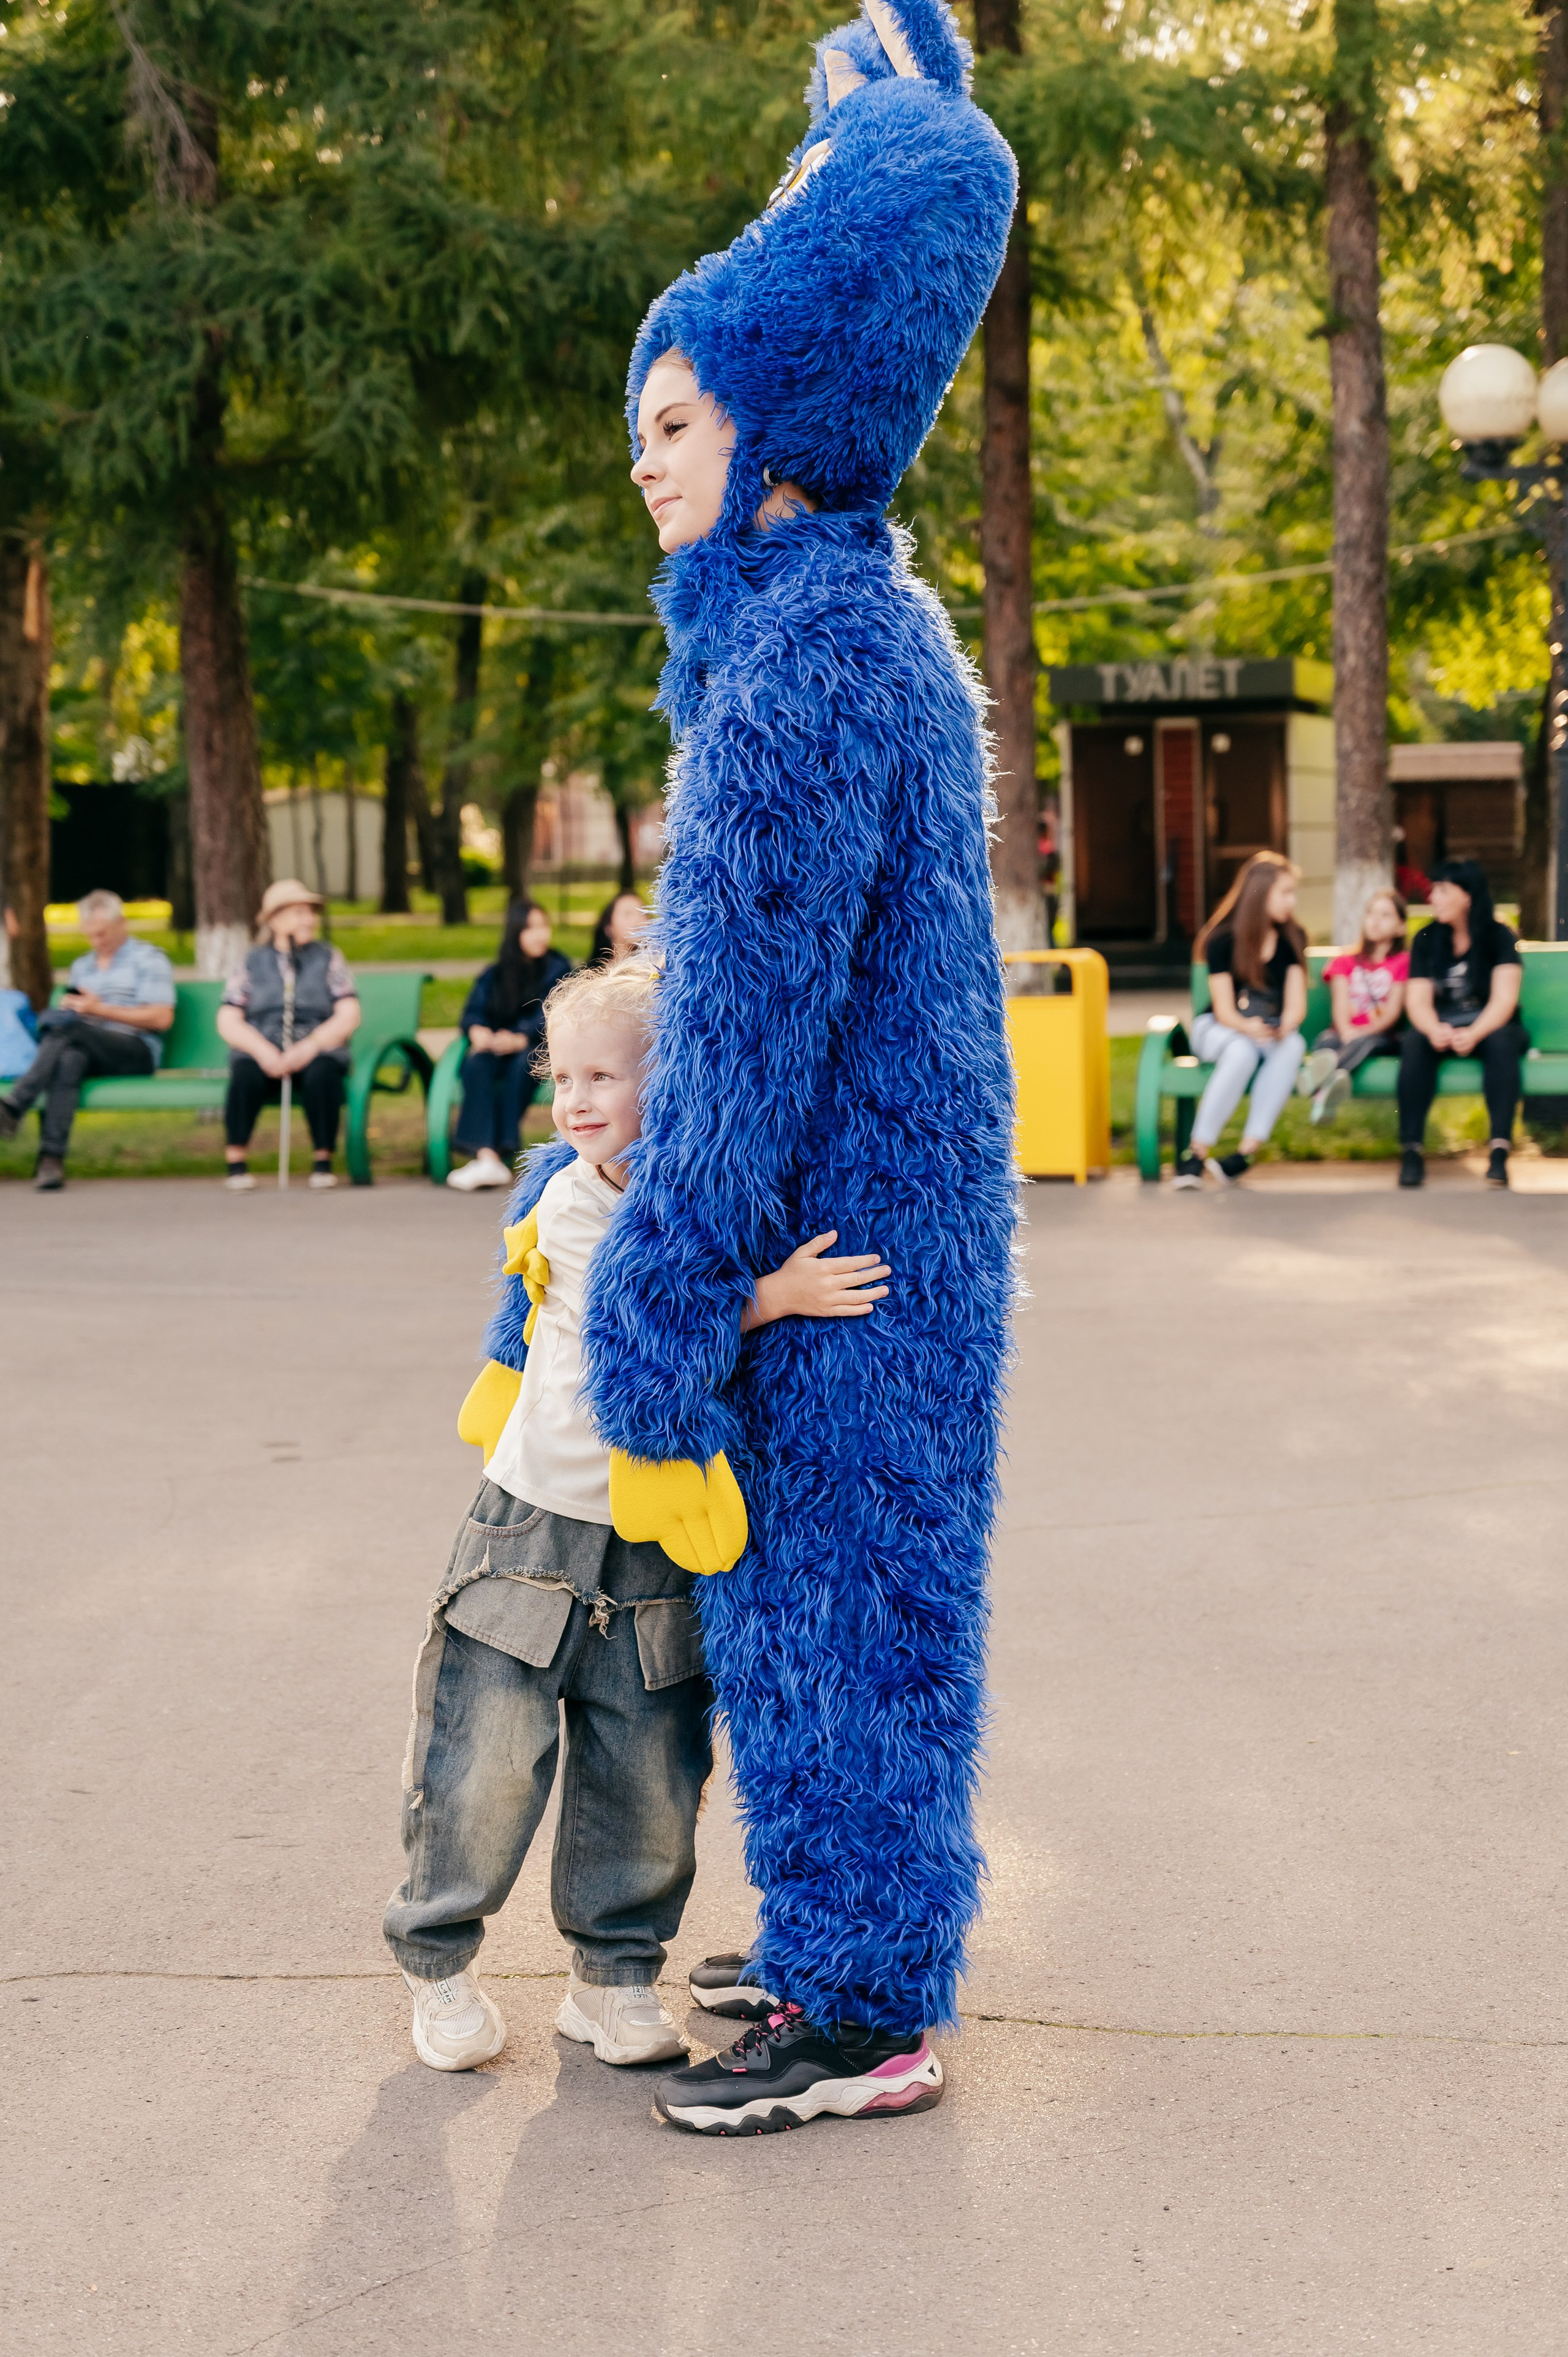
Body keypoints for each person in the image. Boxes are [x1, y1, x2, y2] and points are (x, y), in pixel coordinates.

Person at [467, 2, 1017, 2137]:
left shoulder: (796, 667)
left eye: (677, 417)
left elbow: (748, 1026)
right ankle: (848, 1935)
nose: (649, 456)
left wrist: (672, 1287)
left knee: (834, 1607)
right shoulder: (860, 613)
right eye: (640, 427)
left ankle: (868, 2006)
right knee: (858, 1587)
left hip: (827, 1237)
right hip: (891, 1216)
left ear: (780, 413)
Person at [385, 959, 892, 2072]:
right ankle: (440, 1962)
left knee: (647, 1764)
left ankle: (612, 1977)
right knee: (483, 1755)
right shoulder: (575, 1199)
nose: (572, 1099)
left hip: (651, 1533)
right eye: (560, 1075)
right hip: (535, 1526)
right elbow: (649, 1337)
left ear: (679, 1079)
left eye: (602, 1073)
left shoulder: (689, 1188)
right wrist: (774, 1298)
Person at [0, 888, 175, 1190]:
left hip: (135, 1050)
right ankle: (50, 1161)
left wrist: (99, 1009)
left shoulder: (148, 959)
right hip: (88, 1046)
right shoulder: (84, 966)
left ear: (121, 923)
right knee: (69, 1058)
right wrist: (74, 1010)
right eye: (91, 935)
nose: (98, 942)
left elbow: (161, 1018)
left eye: (103, 934)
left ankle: (15, 1105)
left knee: (71, 1031)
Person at [1173, 851, 1308, 1187]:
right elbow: (1224, 1011)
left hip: (1265, 1033)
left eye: (1294, 893)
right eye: (1285, 892)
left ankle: (1245, 1153)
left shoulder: (1292, 940)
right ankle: (1196, 1154)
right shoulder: (1223, 940)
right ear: (1261, 893)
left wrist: (1284, 1027)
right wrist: (1248, 1028)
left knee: (1294, 1045)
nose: (1292, 901)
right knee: (1241, 1052)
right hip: (1220, 1030)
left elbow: (1295, 1005)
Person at [216, 881, 361, 1191]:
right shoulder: (252, 961)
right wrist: (263, 1051)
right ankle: (236, 1161)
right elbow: (229, 1018)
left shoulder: (327, 957)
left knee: (323, 1073)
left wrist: (309, 1047)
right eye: (298, 913)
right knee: (245, 1073)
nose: (308, 920)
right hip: (264, 1047)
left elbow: (349, 1013)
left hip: (315, 1045)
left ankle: (323, 1160)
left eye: (310, 913)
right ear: (274, 920)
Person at [1396, 858, 1524, 1190]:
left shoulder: (1499, 936)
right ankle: (1411, 1152)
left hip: (1490, 1025)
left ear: (1467, 896)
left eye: (1442, 890)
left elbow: (1504, 1001)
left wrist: (1476, 1032)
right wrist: (1432, 1028)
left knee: (1501, 1043)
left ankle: (1498, 1153)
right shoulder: (1425, 938)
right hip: (1443, 1026)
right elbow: (1418, 1001)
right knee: (1414, 1043)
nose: (1432, 898)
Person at [445, 899, 571, 1191]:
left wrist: (521, 1037)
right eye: (530, 928)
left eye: (544, 926)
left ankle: (497, 1155)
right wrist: (478, 1031)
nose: (540, 934)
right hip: (497, 1048)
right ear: (515, 933)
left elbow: (554, 1011)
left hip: (535, 1048)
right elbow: (474, 1011)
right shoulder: (497, 973)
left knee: (522, 1063)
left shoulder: (558, 967)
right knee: (477, 1063)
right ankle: (487, 1157)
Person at [1297, 886, 1409, 1124]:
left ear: (1401, 926)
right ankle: (1326, 1091)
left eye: (1386, 915)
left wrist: (1361, 1032)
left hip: (1379, 1036)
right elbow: (1340, 1003)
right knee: (1326, 1041)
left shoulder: (1403, 962)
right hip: (1343, 1033)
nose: (1376, 921)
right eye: (1371, 913)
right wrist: (1347, 1031)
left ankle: (1316, 1084)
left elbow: (1392, 1013)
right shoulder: (1345, 961)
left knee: (1364, 1042)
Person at [588, 890, 648, 969]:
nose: (638, 920)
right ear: (608, 927)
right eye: (628, 914)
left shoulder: (657, 968)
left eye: (643, 913)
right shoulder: (594, 975)